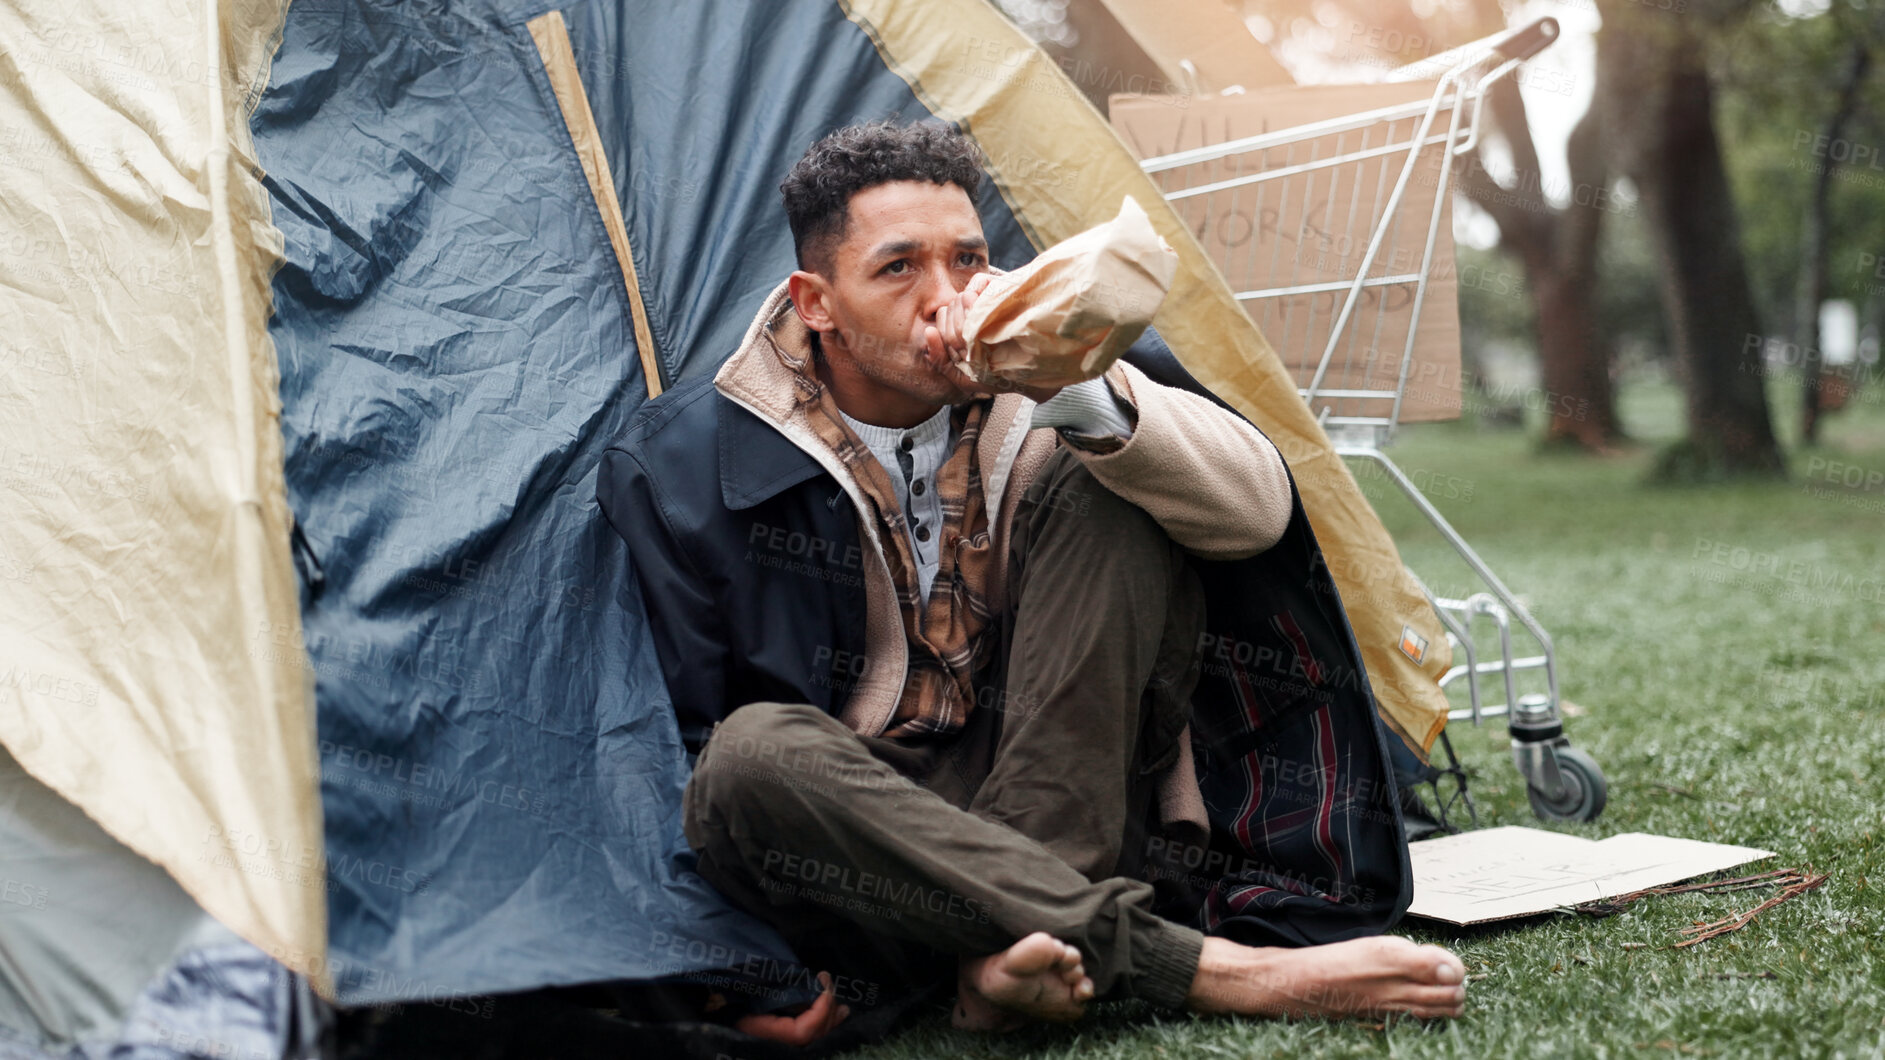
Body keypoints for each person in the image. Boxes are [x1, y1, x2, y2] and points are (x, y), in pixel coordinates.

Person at [596, 121, 1465, 1046]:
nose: (948, 297)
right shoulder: (680, 462)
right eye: (899, 269)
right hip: (866, 836)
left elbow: (1256, 516)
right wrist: (731, 972)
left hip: (1066, 797)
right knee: (750, 755)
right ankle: (1202, 970)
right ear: (817, 302)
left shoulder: (1060, 374)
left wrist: (1080, 392)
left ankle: (1015, 955)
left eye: (967, 260)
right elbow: (667, 749)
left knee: (1111, 489)